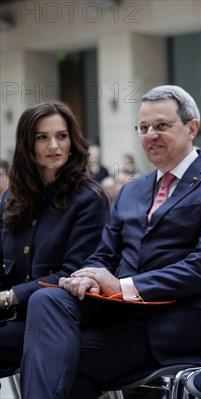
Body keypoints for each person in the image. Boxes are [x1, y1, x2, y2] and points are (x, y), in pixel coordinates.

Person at [18, 85, 201, 398]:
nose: (151, 135)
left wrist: (125, 286)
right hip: (118, 317)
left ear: (192, 128)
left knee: (57, 358)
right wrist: (88, 276)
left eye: (162, 126)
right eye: (144, 128)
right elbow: (104, 254)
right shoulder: (132, 190)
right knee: (46, 301)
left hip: (176, 322)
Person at [0, 101, 110, 376]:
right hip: (9, 316)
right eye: (42, 137)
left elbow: (73, 274)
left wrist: (10, 296)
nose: (54, 146)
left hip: (54, 318)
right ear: (27, 143)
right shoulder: (12, 197)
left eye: (61, 136)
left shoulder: (89, 199)